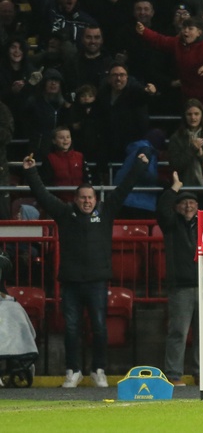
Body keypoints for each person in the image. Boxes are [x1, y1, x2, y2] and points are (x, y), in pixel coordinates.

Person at [22, 152, 148, 388]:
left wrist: (139, 165)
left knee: (99, 328)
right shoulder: (64, 213)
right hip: (70, 282)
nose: (87, 201)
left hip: (97, 282)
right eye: (82, 198)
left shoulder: (106, 211)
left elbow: (124, 188)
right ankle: (73, 371)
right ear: (76, 199)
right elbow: (43, 195)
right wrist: (31, 172)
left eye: (90, 197)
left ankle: (98, 370)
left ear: (95, 199)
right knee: (71, 329)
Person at [157, 163, 203, 387]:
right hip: (181, 287)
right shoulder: (171, 225)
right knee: (178, 332)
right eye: (183, 203)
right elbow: (162, 209)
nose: (188, 206)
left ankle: (201, 373)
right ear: (177, 207)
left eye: (192, 202)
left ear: (198, 206)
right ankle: (174, 374)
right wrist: (175, 187)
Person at [40, 126, 94, 203]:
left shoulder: (80, 156)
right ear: (54, 141)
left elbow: (87, 179)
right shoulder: (49, 158)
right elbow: (46, 182)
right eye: (61, 138)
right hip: (58, 202)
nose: (65, 140)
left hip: (80, 201)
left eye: (68, 137)